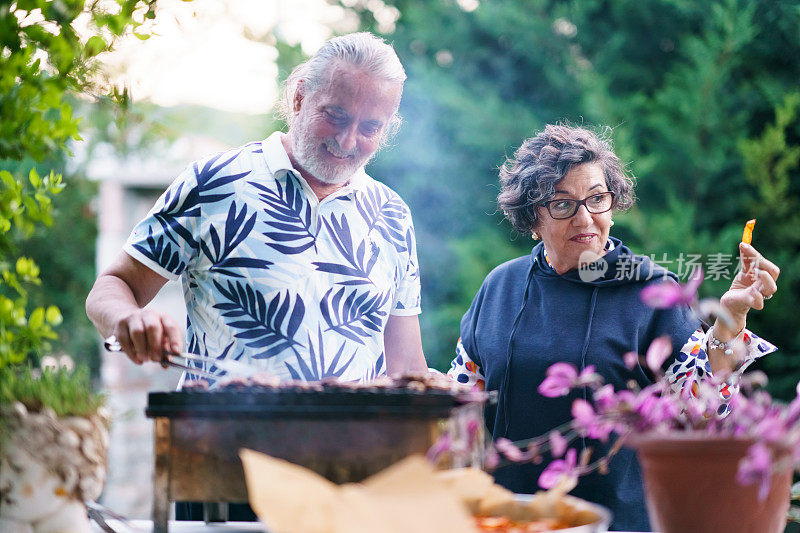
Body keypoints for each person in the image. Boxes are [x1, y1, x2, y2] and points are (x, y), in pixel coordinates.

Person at [85, 32, 428, 521]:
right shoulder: (214, 183)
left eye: (370, 126)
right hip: (222, 468)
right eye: (335, 114)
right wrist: (126, 321)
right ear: (299, 95)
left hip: (352, 479)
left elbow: (404, 364)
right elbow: (110, 289)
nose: (349, 140)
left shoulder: (392, 215)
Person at [448, 124, 780, 531]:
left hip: (620, 524)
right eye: (563, 204)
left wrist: (729, 323)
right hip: (504, 519)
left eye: (597, 199)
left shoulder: (651, 290)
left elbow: (704, 409)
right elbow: (463, 396)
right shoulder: (501, 286)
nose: (585, 217)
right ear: (532, 217)